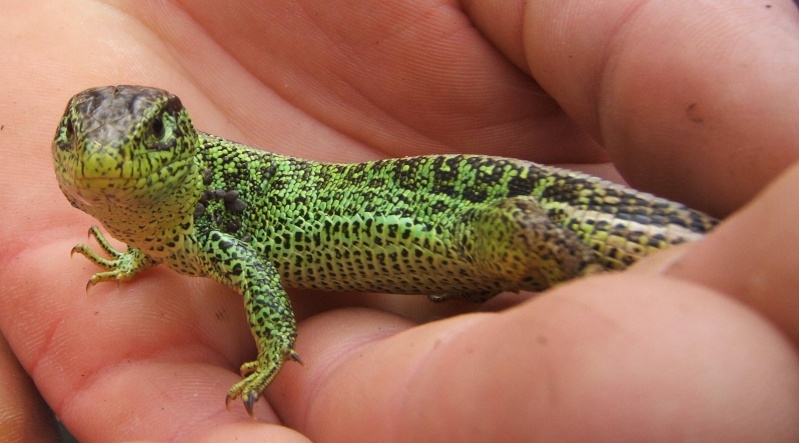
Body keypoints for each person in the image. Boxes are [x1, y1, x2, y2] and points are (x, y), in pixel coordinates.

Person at [1, 1, 798, 441]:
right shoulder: (158, 216)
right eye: (79, 139)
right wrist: (135, 258)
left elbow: (246, 263)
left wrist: (274, 346)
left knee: (564, 243)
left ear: (181, 143)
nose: (108, 160)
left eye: (152, 137)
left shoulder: (208, 200)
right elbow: (173, 239)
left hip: (451, 213)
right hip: (439, 242)